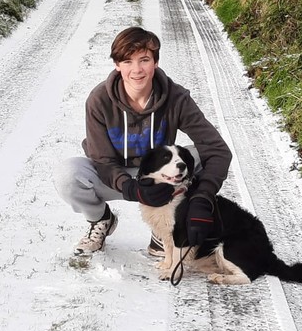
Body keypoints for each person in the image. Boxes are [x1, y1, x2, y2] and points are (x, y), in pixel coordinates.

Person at [55, 26, 232, 257]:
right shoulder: (99, 100)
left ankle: (164, 229)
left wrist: (203, 196)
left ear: (155, 62)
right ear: (117, 65)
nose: (136, 70)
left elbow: (218, 149)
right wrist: (131, 189)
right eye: (127, 61)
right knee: (68, 174)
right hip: (114, 176)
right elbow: (102, 160)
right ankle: (101, 219)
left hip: (159, 177)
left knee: (196, 156)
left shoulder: (176, 98)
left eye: (144, 60)